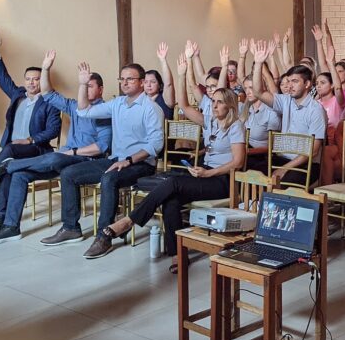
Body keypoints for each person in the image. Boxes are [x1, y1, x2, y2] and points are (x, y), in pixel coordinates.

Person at [95, 56, 246, 257]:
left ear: (230, 106)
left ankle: (127, 221)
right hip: (205, 174)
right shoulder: (209, 120)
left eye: (219, 102)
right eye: (213, 101)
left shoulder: (235, 126)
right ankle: (176, 255)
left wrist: (207, 174)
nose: (214, 105)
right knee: (171, 199)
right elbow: (183, 105)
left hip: (223, 180)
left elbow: (238, 162)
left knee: (173, 183)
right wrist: (182, 75)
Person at [0, 49, 113, 244]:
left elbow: (101, 147)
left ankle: (7, 166)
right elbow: (48, 94)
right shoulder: (74, 106)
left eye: (89, 86)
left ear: (100, 90)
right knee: (20, 176)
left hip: (86, 160)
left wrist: (73, 151)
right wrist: (45, 68)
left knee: (53, 157)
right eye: (82, 85)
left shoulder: (104, 112)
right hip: (65, 159)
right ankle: (10, 227)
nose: (83, 90)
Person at [40, 61, 165, 258]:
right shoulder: (117, 103)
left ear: (141, 82)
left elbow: (155, 145)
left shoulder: (151, 108)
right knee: (69, 174)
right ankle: (70, 227)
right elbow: (84, 111)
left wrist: (129, 161)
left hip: (140, 164)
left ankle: (104, 236)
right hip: (116, 160)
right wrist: (82, 84)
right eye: (122, 79)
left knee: (109, 178)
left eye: (130, 79)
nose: (125, 82)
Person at [0, 30, 62, 198]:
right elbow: (3, 78)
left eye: (36, 79)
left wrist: (29, 140)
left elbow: (53, 130)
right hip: (11, 149)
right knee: (5, 176)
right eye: (28, 79)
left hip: (35, 148)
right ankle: (0, 220)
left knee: (8, 153)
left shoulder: (50, 101)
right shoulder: (17, 95)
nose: (32, 82)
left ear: (42, 80)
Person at [250, 41, 326, 187]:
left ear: (307, 84)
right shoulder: (286, 101)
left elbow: (314, 151)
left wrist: (284, 169)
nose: (290, 85)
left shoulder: (316, 110)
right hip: (283, 158)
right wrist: (259, 64)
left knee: (279, 183)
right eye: (289, 81)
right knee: (251, 175)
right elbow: (259, 92)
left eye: (295, 81)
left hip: (306, 164)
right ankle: (253, 208)